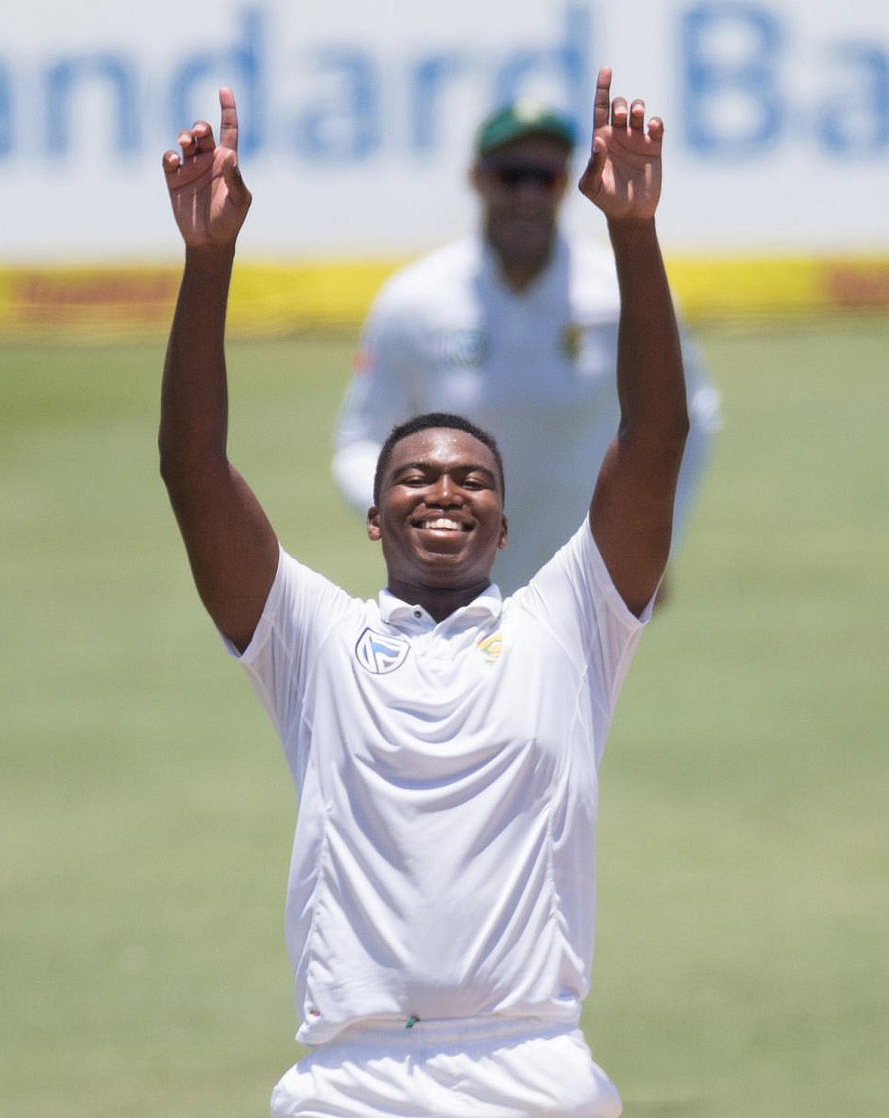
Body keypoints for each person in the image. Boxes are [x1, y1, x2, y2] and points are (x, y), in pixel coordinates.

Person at [160, 66, 688, 1118]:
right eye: (414, 476)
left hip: (532, 1064)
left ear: (506, 522)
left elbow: (655, 437)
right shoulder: (309, 638)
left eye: (473, 480)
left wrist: (633, 232)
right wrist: (208, 260)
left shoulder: (570, 624)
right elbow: (193, 468)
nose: (444, 488)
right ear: (374, 516)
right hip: (348, 1079)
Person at [332, 95, 719, 594]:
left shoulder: (620, 294)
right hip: (448, 595)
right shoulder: (415, 301)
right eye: (510, 176)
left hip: (583, 595)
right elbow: (359, 442)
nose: (528, 196)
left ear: (567, 184)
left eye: (546, 178)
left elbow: (687, 420)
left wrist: (654, 543)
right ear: (477, 178)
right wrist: (413, 526)